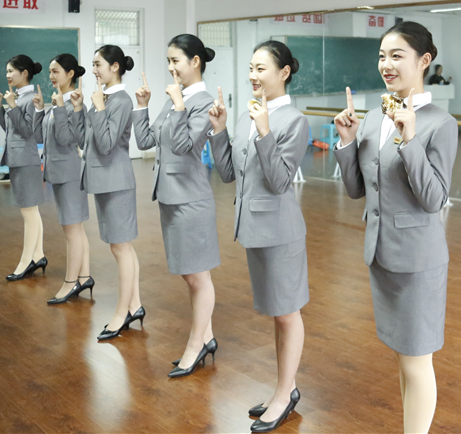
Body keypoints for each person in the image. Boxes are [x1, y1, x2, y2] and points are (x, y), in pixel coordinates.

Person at [333, 21, 458, 434]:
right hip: (381, 254)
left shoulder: (440, 123)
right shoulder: (373, 118)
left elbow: (434, 199)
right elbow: (357, 190)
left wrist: (409, 140)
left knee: (418, 361)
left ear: (424, 61)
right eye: (382, 56)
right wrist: (347, 142)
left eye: (397, 56)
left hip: (418, 260)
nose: (386, 64)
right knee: (403, 359)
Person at [208, 40, 309, 433]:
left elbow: (280, 181)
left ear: (283, 73)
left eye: (261, 68)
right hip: (254, 228)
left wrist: (265, 131)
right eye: (251, 68)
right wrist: (219, 131)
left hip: (281, 232)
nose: (252, 75)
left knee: (287, 313)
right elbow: (228, 174)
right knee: (278, 313)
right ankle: (285, 387)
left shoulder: (294, 121)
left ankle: (285, 395)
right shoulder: (248, 115)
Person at [133, 35, 220, 377]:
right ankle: (207, 338)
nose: (170, 68)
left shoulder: (203, 102)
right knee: (190, 274)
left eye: (176, 61)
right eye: (168, 62)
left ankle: (196, 346)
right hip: (170, 196)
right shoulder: (175, 99)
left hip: (191, 199)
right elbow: (146, 141)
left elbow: (185, 146)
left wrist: (180, 106)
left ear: (195, 62)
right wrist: (142, 105)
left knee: (197, 276)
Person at [77, 45, 144, 341]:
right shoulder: (102, 98)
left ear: (115, 67)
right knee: (121, 247)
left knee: (121, 248)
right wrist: (82, 109)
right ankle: (135, 305)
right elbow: (86, 140)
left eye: (98, 64)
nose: (93, 70)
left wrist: (100, 109)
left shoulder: (121, 101)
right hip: (104, 181)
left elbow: (106, 145)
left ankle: (122, 313)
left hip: (116, 182)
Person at [34, 54, 93, 304]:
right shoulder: (57, 103)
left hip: (69, 173)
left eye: (55, 71)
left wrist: (58, 108)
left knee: (72, 230)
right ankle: (84, 276)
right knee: (75, 227)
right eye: (50, 71)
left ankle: (70, 283)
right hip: (58, 172)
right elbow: (40, 136)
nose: (51, 76)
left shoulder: (74, 105)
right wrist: (40, 109)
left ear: (70, 74)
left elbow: (67, 139)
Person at [0, 55, 47, 281]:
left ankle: (26, 262)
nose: (7, 75)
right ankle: (39, 256)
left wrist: (12, 105)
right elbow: (10, 128)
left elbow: (27, 131)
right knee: (31, 210)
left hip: (26, 160)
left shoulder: (31, 98)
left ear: (24, 73)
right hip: (19, 159)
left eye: (11, 71)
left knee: (28, 212)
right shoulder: (18, 97)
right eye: (6, 71)